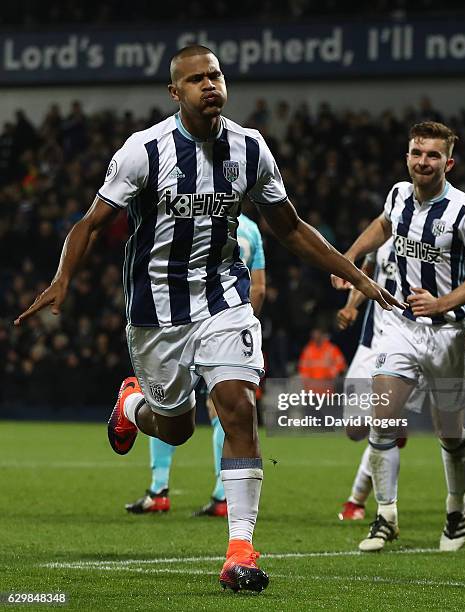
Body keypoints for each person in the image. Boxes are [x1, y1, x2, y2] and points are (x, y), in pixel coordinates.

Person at [15, 45, 403, 592]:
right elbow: (91, 222)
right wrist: (62, 278)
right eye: (196, 79)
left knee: (240, 409)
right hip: (157, 310)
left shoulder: (250, 148)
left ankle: (240, 550)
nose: (209, 85)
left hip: (224, 298)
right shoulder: (143, 150)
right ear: (176, 93)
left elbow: (288, 227)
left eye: (215, 75)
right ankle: (132, 405)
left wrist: (356, 273)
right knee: (173, 426)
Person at [333, 121, 465, 552]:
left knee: (449, 433)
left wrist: (442, 302)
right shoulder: (398, 194)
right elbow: (384, 226)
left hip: (447, 335)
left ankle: (457, 506)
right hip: (399, 328)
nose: (423, 162)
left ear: (449, 162)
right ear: (407, 156)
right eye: (416, 153)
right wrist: (349, 256)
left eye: (432, 155)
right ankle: (385, 516)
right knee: (383, 420)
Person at [125, 213, 266, 517]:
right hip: (225, 328)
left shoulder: (190, 213)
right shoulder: (252, 231)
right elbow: (260, 289)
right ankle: (221, 495)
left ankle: (159, 489)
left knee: (167, 406)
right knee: (225, 413)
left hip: (177, 324)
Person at [334, 239, 423, 521]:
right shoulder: (383, 232)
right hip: (372, 342)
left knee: (382, 422)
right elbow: (367, 273)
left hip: (408, 344)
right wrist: (352, 306)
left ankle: (356, 500)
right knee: (353, 429)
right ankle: (392, 425)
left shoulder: (432, 237)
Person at [298, 327, 346, 394]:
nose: (316, 339)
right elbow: (303, 368)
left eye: (318, 336)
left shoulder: (331, 349)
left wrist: (331, 374)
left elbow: (341, 364)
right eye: (314, 337)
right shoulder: (308, 350)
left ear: (322, 335)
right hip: (312, 390)